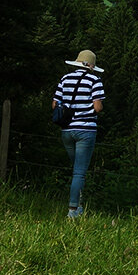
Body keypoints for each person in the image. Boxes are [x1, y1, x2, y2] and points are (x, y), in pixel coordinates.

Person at [53, 49, 106, 218]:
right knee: (79, 172)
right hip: (85, 130)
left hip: (67, 130)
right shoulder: (94, 80)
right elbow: (98, 107)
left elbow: (55, 104)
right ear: (91, 66)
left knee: (76, 169)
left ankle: (79, 206)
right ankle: (73, 210)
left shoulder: (65, 79)